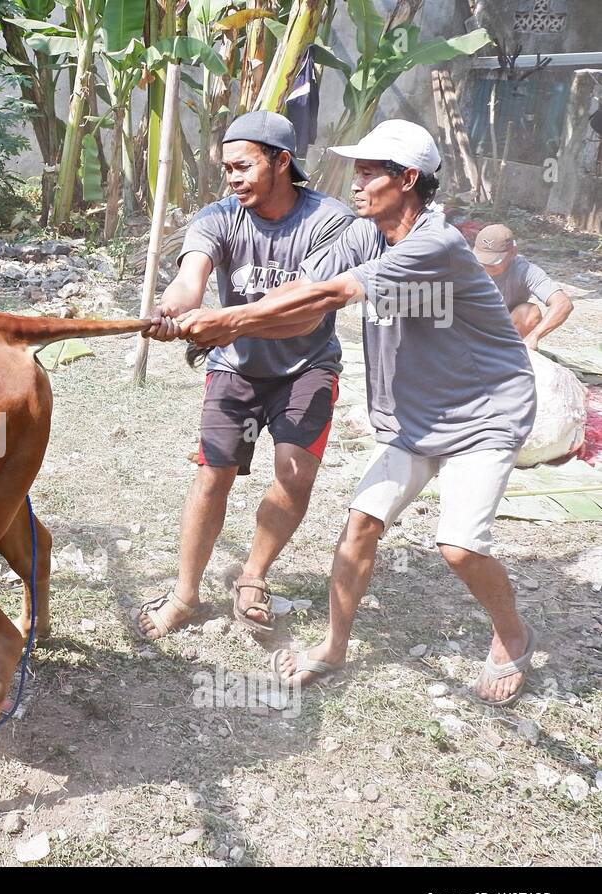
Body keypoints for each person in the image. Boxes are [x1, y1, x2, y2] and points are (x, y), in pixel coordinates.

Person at [169, 120, 538, 707]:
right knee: (360, 526)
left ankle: (512, 633)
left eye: (370, 173)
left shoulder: (434, 244)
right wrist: (217, 320)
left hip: (486, 412)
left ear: (409, 179)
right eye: (357, 171)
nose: (357, 184)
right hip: (419, 416)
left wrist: (228, 322)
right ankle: (334, 648)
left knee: (460, 545)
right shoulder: (365, 233)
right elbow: (303, 298)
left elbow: (332, 296)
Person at [137, 112, 353, 640]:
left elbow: (304, 304)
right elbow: (191, 278)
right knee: (214, 474)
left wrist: (230, 321)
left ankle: (252, 576)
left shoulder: (331, 220)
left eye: (243, 166)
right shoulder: (218, 217)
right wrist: (173, 313)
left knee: (295, 472)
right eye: (226, 169)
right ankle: (185, 593)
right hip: (235, 367)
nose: (232, 178)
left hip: (308, 364)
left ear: (282, 161)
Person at [474, 223, 574, 350]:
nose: (486, 266)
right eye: (482, 260)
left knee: (529, 312)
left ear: (513, 253)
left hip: (501, 331)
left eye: (493, 261)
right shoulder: (464, 266)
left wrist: (534, 336)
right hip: (469, 328)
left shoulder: (525, 271)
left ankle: (508, 351)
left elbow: (563, 303)